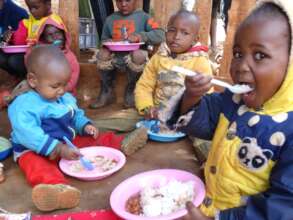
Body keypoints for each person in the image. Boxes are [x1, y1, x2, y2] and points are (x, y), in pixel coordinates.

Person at [174, 1, 293, 219]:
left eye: (259, 55)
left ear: (290, 63)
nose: (241, 66)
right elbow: (203, 121)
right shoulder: (233, 99)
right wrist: (192, 96)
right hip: (204, 204)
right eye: (238, 54)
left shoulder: (289, 129)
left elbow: (284, 207)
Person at [7, 45, 147, 211]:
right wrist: (57, 148)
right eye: (55, 86)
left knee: (95, 138)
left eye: (65, 84)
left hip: (67, 142)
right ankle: (58, 190)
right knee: (36, 166)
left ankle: (122, 143)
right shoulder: (24, 105)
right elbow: (27, 134)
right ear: (33, 80)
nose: (61, 90)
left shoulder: (64, 97)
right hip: (33, 149)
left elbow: (76, 115)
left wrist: (85, 125)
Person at [135, 10, 212, 124]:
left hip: (186, 116)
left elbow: (207, 94)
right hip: (156, 115)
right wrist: (147, 108)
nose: (176, 37)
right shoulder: (159, 57)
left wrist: (192, 116)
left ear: (195, 39)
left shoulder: (200, 60)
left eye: (184, 33)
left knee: (202, 137)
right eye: (172, 30)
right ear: (165, 33)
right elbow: (144, 86)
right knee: (120, 121)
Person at [90, 0, 165, 109]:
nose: (123, 4)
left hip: (135, 60)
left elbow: (161, 34)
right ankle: (107, 90)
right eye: (119, 1)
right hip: (114, 58)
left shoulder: (144, 17)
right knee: (102, 54)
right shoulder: (110, 19)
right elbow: (103, 40)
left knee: (138, 55)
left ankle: (132, 89)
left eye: (128, 0)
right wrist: (109, 41)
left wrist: (140, 36)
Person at [26, 16, 79, 94]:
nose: (55, 37)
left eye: (57, 32)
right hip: (42, 91)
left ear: (64, 34)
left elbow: (73, 79)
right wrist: (33, 50)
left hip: (63, 93)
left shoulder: (70, 57)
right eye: (49, 35)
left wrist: (61, 90)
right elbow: (30, 65)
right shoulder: (42, 54)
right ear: (44, 39)